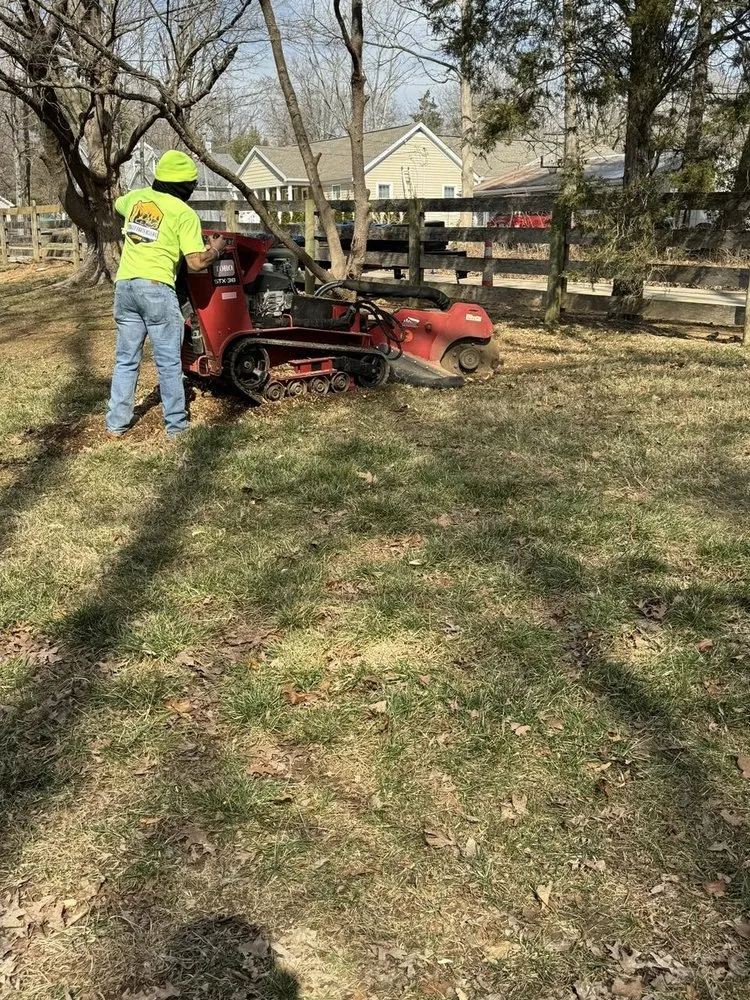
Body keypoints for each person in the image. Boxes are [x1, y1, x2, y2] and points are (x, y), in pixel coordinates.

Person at [106, 150, 227, 438]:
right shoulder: (184, 213)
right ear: (185, 186)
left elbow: (117, 204)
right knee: (169, 361)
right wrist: (217, 249)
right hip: (156, 288)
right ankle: (176, 427)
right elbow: (196, 262)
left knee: (126, 359)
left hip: (125, 287)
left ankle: (116, 424)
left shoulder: (135, 199)